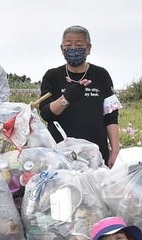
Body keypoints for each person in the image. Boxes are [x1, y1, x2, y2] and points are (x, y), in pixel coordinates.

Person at [38, 25, 121, 167]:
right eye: (68, 45)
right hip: (60, 154)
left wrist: (115, 151)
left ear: (88, 48)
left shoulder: (101, 75)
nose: (73, 49)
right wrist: (66, 98)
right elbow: (46, 114)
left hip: (96, 153)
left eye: (79, 45)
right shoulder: (52, 76)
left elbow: (111, 116)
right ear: (62, 49)